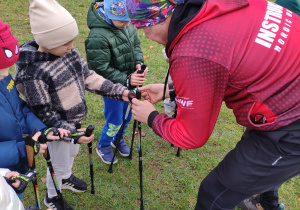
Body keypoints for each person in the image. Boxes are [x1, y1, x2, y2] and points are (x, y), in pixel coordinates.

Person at [126, 0, 300, 209]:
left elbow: (191, 135)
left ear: (163, 17)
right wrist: (171, 89)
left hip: (289, 122)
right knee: (255, 171)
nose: (144, 35)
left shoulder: (193, 50)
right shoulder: (217, 4)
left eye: (144, 26)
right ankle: (267, 203)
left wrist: (151, 117)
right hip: (283, 95)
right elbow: (229, 62)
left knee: (214, 194)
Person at [14, 0, 129, 209]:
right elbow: (44, 113)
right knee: (57, 164)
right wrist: (73, 132)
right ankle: (52, 196)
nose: (72, 47)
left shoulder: (69, 53)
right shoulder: (33, 73)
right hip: (57, 131)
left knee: (70, 155)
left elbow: (88, 77)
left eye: (73, 40)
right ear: (47, 41)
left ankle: (65, 177)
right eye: (66, 43)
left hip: (74, 125)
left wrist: (120, 92)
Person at [0, 19, 68, 201]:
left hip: (16, 166)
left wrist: (41, 129)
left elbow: (20, 108)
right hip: (4, 172)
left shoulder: (3, 78)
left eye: (7, 66)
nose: (6, 74)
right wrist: (23, 148)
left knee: (16, 197)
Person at [85, 0, 147, 164]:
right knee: (115, 119)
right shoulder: (97, 36)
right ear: (109, 15)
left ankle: (117, 139)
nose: (127, 25)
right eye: (123, 21)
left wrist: (139, 63)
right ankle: (104, 145)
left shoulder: (126, 25)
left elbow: (136, 46)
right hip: (113, 88)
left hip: (130, 84)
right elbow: (99, 69)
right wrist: (126, 79)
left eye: (129, 20)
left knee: (127, 116)